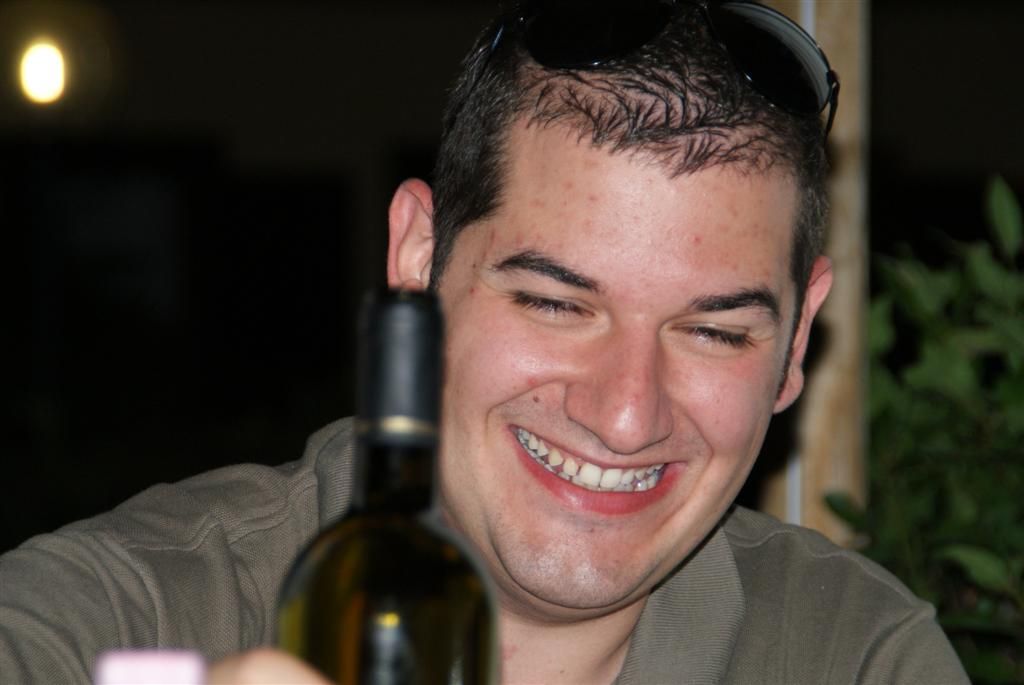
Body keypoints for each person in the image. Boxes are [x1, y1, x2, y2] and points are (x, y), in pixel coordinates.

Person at [2, 2, 968, 684]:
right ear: (417, 263)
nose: (626, 413)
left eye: (714, 331)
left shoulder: (856, 655)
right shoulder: (118, 617)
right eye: (554, 303)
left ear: (797, 340)